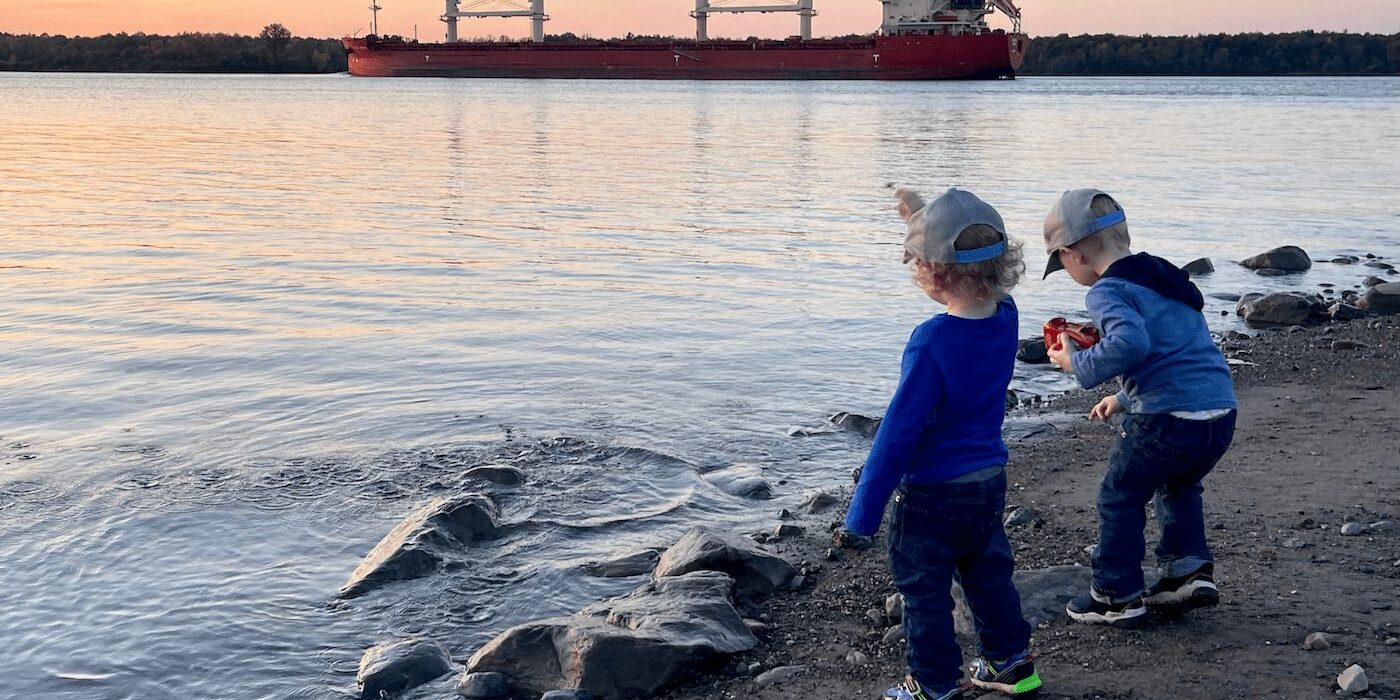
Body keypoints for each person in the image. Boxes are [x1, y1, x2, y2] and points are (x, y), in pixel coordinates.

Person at [834, 188, 1042, 700]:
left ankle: (931, 684)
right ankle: (1010, 665)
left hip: (932, 495)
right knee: (988, 575)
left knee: (924, 592)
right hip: (988, 483)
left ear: (936, 273)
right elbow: (965, 246)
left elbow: (896, 435)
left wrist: (861, 519)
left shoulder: (932, 342)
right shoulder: (1006, 316)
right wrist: (920, 215)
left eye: (917, 262)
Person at [1041, 188, 1237, 627]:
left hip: (1166, 419)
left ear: (1072, 255)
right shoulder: (1164, 277)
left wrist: (1077, 361)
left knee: (1120, 496)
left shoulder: (1106, 291)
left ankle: (1116, 594)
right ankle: (1187, 572)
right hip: (1218, 412)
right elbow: (1173, 351)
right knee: (1180, 484)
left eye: (1061, 264)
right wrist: (1124, 397)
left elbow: (1132, 343)